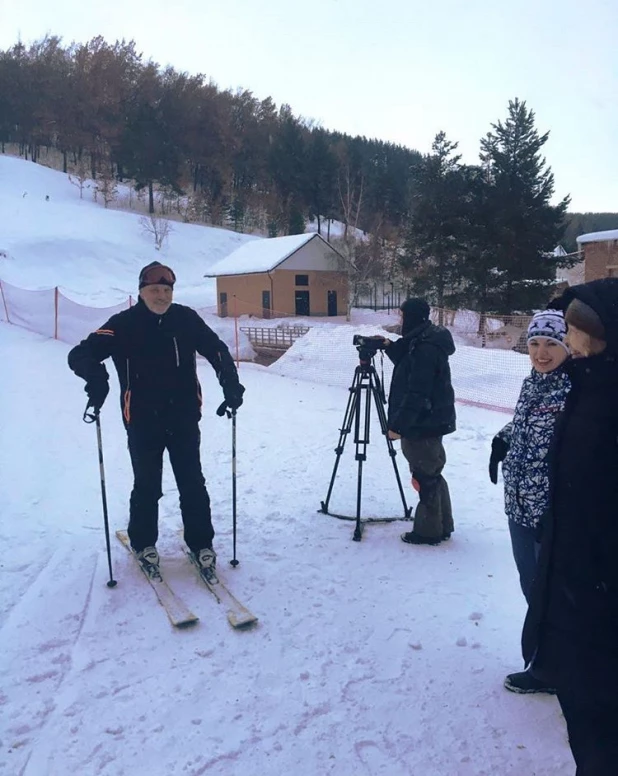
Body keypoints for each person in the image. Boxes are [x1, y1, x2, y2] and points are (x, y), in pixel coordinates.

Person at [68, 261, 245, 574]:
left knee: (192, 483)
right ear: (141, 293)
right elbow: (81, 354)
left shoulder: (186, 319)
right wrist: (98, 380)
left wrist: (230, 382)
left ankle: (201, 543)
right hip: (141, 420)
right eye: (154, 290)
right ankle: (143, 543)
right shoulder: (123, 324)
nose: (161, 296)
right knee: (147, 485)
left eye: (166, 290)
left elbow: (216, 349)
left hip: (184, 417)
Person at [522, 278, 618, 774]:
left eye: (579, 333)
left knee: (601, 717)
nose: (569, 342)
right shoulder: (583, 385)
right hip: (570, 572)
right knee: (586, 715)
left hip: (599, 591)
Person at [489, 310, 570, 694]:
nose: (541, 353)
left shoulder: (572, 392)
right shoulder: (533, 382)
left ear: (567, 347)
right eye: (535, 343)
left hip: (549, 513)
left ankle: (554, 670)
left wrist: (560, 509)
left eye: (552, 344)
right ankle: (548, 662)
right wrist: (502, 439)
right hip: (518, 505)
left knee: (553, 594)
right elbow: (525, 425)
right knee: (530, 587)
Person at [385, 298, 456, 545]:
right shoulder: (424, 338)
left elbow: (418, 391)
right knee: (432, 472)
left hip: (423, 422)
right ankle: (442, 524)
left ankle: (428, 531)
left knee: (425, 475)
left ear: (412, 316)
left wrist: (397, 426)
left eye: (403, 316)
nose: (401, 320)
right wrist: (388, 345)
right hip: (430, 419)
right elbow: (409, 364)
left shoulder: (425, 347)